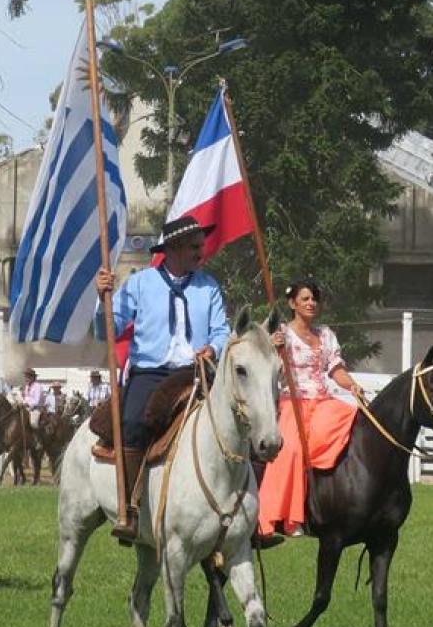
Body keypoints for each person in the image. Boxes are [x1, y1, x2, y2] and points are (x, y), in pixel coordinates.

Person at [95, 215, 231, 543]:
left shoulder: (209, 287)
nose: (201, 252)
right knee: (132, 423)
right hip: (151, 372)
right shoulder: (140, 284)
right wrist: (103, 300)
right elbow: (106, 329)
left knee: (239, 421)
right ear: (173, 249)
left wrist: (213, 347)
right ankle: (129, 510)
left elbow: (221, 329)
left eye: (201, 245)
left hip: (197, 372)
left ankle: (247, 518)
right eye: (194, 247)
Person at [257, 279, 364, 541]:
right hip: (292, 401)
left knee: (353, 419)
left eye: (314, 299)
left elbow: (336, 370)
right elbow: (264, 364)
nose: (311, 303)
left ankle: (340, 496)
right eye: (305, 298)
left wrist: (352, 386)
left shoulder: (326, 334)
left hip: (322, 400)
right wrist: (272, 347)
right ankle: (287, 517)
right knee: (292, 449)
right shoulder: (281, 333)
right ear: (292, 303)